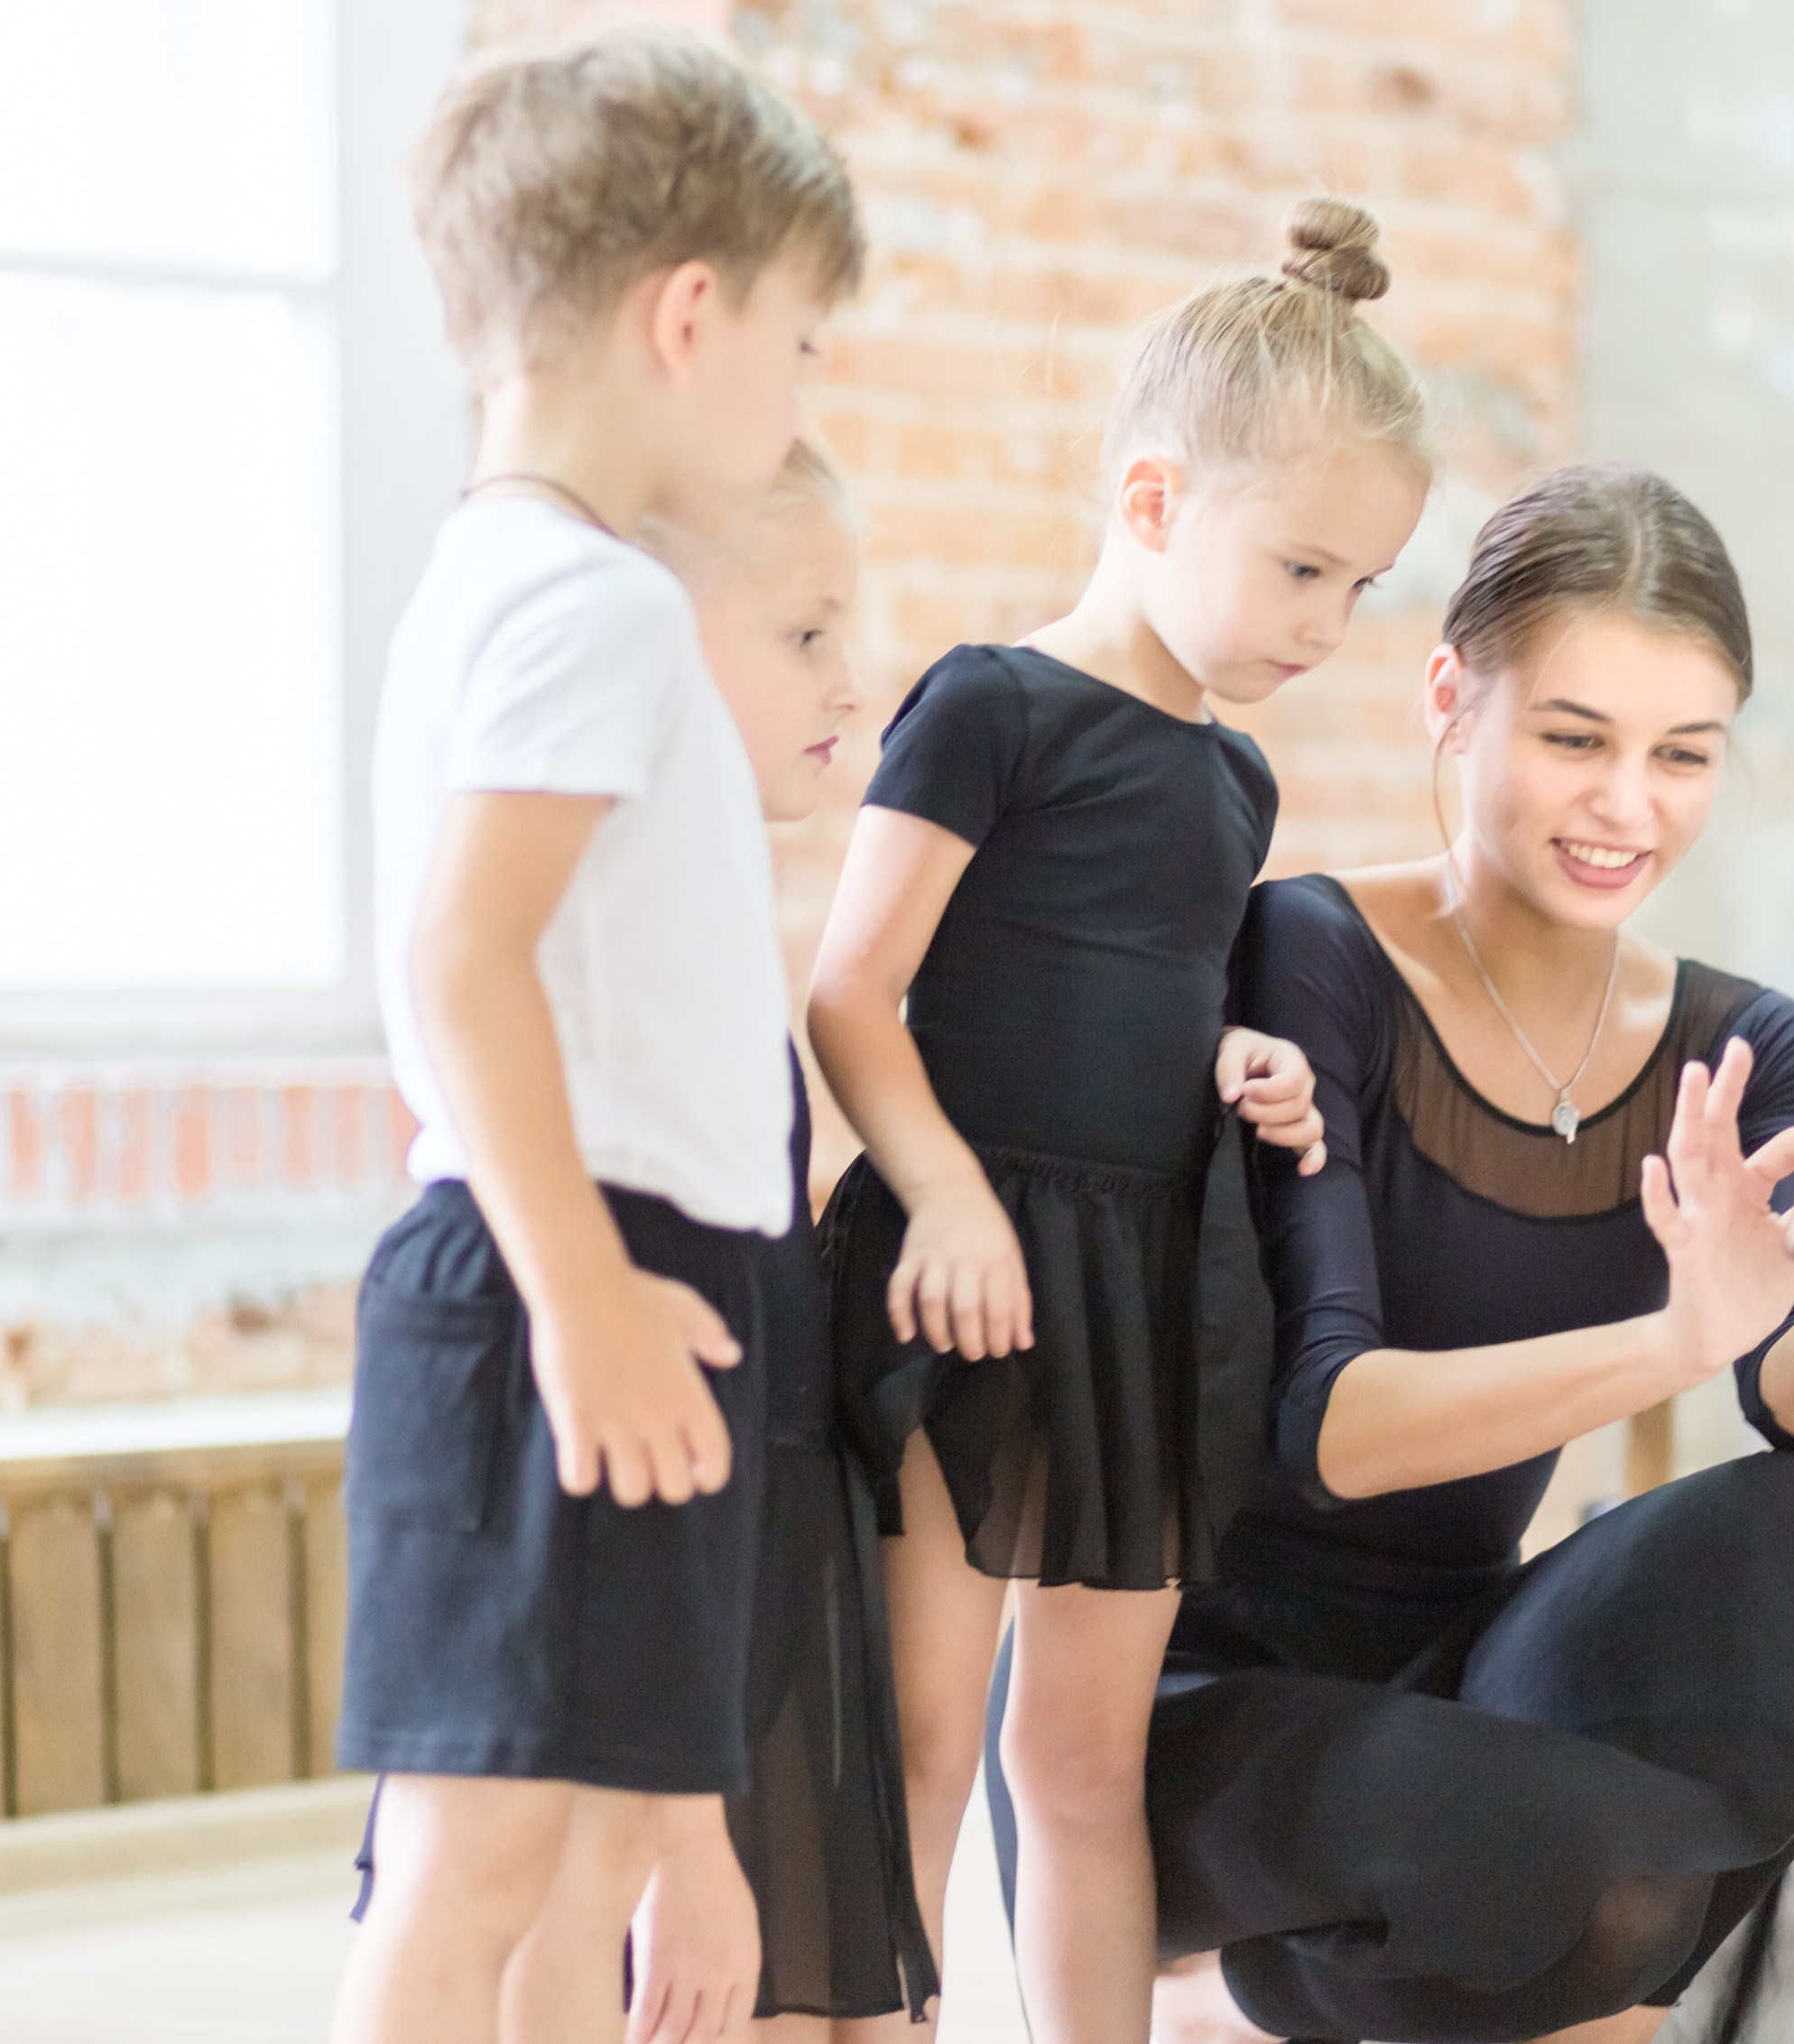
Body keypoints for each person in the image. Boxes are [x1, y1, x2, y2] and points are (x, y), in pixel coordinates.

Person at [985, 465, 1794, 2043]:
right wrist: (1669, 1340)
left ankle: (1420, 1973)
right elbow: (1329, 1426)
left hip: (1468, 1665)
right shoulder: (1314, 953)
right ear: (1451, 702)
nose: (1629, 805)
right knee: (1594, 1868)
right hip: (1202, 1699)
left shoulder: (1749, 1038)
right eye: (1575, 738)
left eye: (1684, 754)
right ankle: (1283, 1960)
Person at [807, 200, 1436, 2044]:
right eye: (1300, 569)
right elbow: (852, 992)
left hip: (1142, 1291)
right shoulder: (984, 708)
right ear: (1152, 502)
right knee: (923, 1737)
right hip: (969, 1274)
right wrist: (941, 1201)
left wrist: (1241, 1070)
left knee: (1080, 1756)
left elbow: (1159, 1004)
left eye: (1358, 588)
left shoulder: (1233, 777)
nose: (1324, 625)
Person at [330, 32, 865, 2044]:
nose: (799, 390)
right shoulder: (594, 603)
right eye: (801, 343)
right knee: (473, 1861)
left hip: (625, 1261)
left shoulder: (509, 580)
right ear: (688, 313)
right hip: (576, 1266)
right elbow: (464, 960)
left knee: (572, 1856)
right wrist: (582, 1296)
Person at [482, 438, 939, 2044]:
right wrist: (689, 1827)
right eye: (806, 633)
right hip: (678, 1549)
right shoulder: (634, 975)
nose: (853, 681)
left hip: (766, 1527)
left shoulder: (714, 916)